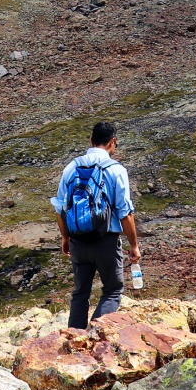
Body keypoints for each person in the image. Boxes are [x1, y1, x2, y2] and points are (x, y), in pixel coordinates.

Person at [51, 121, 140, 329]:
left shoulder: (71, 167)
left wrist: (65, 238)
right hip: (105, 240)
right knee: (112, 290)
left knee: (80, 293)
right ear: (113, 142)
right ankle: (96, 334)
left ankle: (74, 339)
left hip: (78, 241)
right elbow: (125, 212)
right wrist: (134, 244)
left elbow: (60, 208)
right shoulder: (116, 169)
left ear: (91, 141)